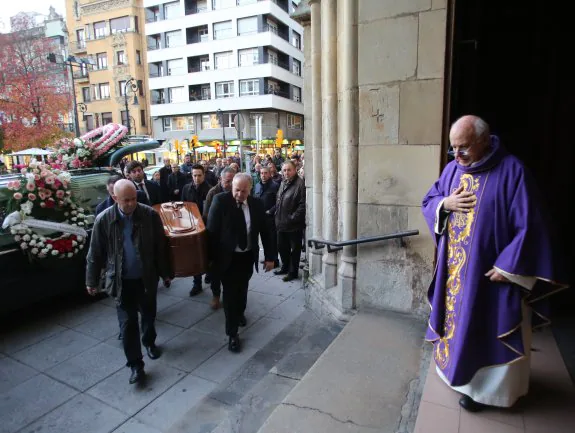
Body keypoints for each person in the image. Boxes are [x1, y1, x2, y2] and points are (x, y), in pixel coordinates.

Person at [421, 115, 567, 412]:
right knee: (458, 326)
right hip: (458, 274)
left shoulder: (513, 171)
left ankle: (490, 394)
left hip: (492, 276)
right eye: (453, 149)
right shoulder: (452, 170)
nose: (458, 155)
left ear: (484, 141)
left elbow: (532, 225)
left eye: (464, 148)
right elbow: (430, 200)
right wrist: (444, 204)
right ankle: (457, 378)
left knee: (490, 324)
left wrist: (509, 265)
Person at [86, 180, 172, 384]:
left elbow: (161, 246)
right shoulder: (104, 219)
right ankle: (135, 365)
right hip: (121, 281)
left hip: (146, 278)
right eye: (126, 200)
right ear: (115, 199)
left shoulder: (149, 215)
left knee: (149, 315)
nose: (132, 203)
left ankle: (149, 342)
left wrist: (166, 273)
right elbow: (95, 253)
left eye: (134, 198)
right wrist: (91, 280)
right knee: (127, 325)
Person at [207, 173, 275, 352]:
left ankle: (240, 313)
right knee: (229, 295)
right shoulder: (220, 201)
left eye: (244, 191)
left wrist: (270, 257)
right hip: (227, 258)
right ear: (232, 187)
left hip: (246, 257)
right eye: (236, 190)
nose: (239, 194)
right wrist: (210, 261)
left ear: (250, 189)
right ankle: (232, 334)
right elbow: (211, 233)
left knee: (243, 287)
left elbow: (266, 232)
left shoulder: (257, 204)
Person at [202, 167, 235, 310]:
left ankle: (231, 299)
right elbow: (207, 216)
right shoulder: (213, 193)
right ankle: (216, 295)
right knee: (216, 271)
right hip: (217, 238)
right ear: (220, 180)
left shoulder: (236, 191)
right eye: (228, 181)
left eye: (233, 180)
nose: (231, 184)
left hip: (233, 239)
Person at [271, 161, 306, 282]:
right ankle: (285, 267)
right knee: (282, 247)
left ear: (295, 170)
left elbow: (302, 205)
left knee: (294, 250)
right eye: (284, 170)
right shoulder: (283, 182)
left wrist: (292, 218)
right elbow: (279, 200)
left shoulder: (300, 184)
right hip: (281, 222)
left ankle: (293, 272)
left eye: (289, 170)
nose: (286, 173)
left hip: (293, 225)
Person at [181, 163, 212, 296]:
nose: (196, 178)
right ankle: (197, 283)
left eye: (199, 175)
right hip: (192, 226)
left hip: (206, 227)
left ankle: (209, 273)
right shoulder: (186, 188)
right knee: (195, 256)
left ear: (204, 175)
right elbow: (182, 206)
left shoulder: (210, 190)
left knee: (208, 253)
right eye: (194, 175)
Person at [254, 166, 280, 268]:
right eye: (261, 173)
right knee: (264, 240)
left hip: (270, 217)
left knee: (272, 240)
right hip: (260, 218)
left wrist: (270, 211)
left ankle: (275, 260)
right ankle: (267, 258)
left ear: (269, 174)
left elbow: (279, 201)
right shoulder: (257, 186)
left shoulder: (275, 186)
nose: (263, 175)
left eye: (265, 173)